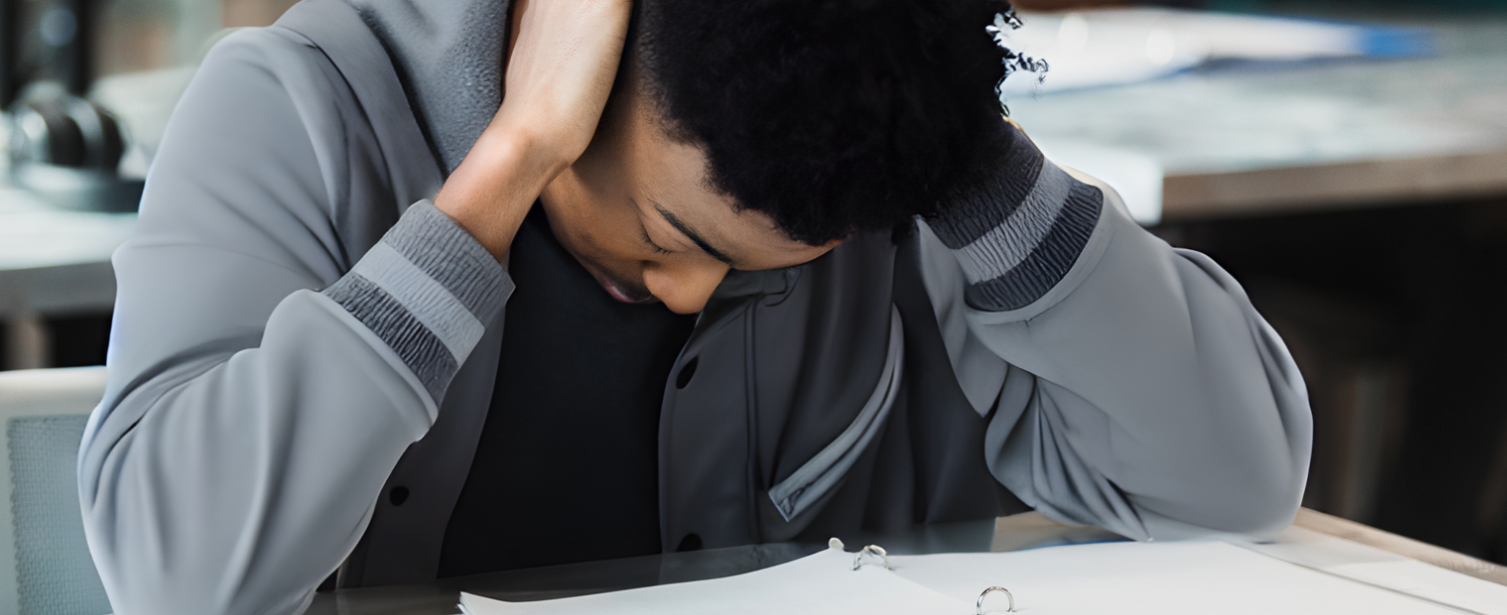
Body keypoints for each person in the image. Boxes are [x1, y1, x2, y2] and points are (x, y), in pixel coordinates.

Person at [77, 0, 1313, 613]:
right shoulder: (295, 109)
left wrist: (956, 144)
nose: (691, 292)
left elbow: (1230, 481)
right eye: (677, 236)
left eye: (771, 264)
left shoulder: (875, 164)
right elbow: (177, 579)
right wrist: (500, 173)